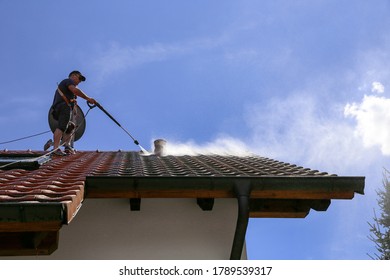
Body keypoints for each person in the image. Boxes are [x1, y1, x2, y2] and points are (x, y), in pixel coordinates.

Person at [46, 70, 97, 155]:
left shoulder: (68, 90)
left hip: (62, 108)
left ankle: (67, 146)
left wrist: (74, 113)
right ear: (73, 76)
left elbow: (73, 100)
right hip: (63, 106)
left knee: (71, 126)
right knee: (62, 127)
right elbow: (75, 90)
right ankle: (56, 149)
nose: (79, 81)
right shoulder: (68, 81)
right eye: (79, 78)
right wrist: (88, 98)